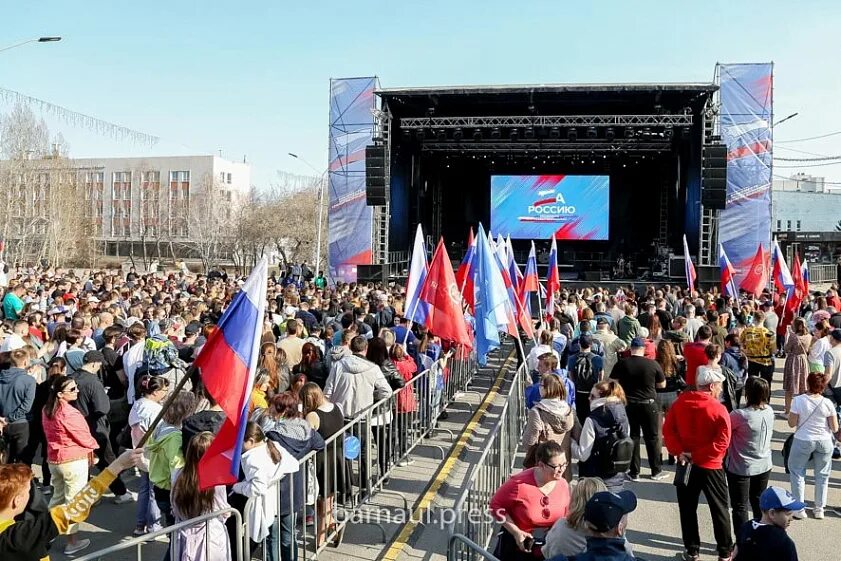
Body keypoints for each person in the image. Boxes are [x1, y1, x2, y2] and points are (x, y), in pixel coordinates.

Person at [0, 448, 142, 561]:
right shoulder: (21, 536)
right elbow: (75, 509)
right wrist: (117, 466)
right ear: (17, 500)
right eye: (28, 491)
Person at [663, 365, 733, 561]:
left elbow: (668, 431)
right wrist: (698, 455)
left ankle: (692, 550)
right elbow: (722, 442)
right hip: (711, 465)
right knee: (719, 509)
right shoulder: (718, 409)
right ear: (711, 386)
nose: (720, 390)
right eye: (718, 386)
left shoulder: (679, 403)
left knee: (687, 509)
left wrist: (681, 452)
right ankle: (725, 552)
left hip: (686, 464)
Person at [40, 375, 99, 555]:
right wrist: (95, 448)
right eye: (72, 389)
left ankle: (44, 534)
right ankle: (72, 542)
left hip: (55, 460)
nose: (77, 391)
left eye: (76, 387)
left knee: (57, 499)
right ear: (60, 394)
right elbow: (82, 436)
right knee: (74, 502)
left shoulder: (47, 409)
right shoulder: (69, 413)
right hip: (73, 461)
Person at [70, 350, 135, 504]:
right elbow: (103, 408)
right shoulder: (93, 382)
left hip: (76, 427)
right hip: (95, 427)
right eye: (99, 364)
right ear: (94, 363)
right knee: (108, 462)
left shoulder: (71, 377)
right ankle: (121, 492)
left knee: (83, 462)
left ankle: (87, 497)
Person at [490, 441, 571, 560]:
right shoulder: (518, 484)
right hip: (519, 550)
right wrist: (516, 531)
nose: (562, 469)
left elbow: (566, 516)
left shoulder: (563, 485)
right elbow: (495, 506)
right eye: (556, 466)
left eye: (564, 464)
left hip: (549, 550)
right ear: (541, 465)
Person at [232, 422, 299, 561]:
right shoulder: (272, 445)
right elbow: (293, 464)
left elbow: (258, 487)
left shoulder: (252, 458)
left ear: (250, 441)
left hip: (265, 507)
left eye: (241, 442)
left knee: (270, 542)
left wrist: (237, 487)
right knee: (279, 539)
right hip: (277, 503)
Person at [610, 337, 667, 481]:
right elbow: (662, 385)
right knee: (652, 437)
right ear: (643, 349)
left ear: (631, 348)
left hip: (629, 404)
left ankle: (634, 472)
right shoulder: (652, 364)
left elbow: (613, 383)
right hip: (649, 403)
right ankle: (656, 470)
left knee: (633, 436)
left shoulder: (622, 364)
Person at [171, 431, 232, 561]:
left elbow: (174, 504)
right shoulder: (216, 479)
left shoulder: (178, 474)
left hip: (183, 535)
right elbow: (223, 510)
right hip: (210, 536)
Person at [725, 377, 774, 535]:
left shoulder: (739, 415)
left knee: (740, 506)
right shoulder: (770, 411)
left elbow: (725, 432)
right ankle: (759, 537)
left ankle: (742, 541)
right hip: (764, 464)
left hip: (741, 466)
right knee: (759, 503)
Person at [542, 477, 636, 559]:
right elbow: (628, 554)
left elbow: (547, 551)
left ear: (575, 500)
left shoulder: (561, 526)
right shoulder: (612, 532)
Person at [300, 383, 346, 547]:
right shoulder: (336, 407)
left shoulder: (312, 416)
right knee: (327, 500)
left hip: (321, 461)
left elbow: (306, 440)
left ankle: (320, 540)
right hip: (337, 458)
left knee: (323, 500)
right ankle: (334, 525)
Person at [786, 371, 837, 520]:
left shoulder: (798, 400)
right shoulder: (828, 403)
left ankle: (799, 509)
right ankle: (819, 509)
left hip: (803, 439)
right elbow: (834, 427)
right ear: (823, 387)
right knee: (822, 474)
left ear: (808, 383)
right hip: (824, 440)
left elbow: (791, 423)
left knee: (797, 472)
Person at [145, 390, 197, 527]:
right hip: (171, 490)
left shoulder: (160, 427)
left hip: (158, 484)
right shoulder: (175, 438)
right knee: (176, 530)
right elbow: (177, 469)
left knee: (170, 526)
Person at [128, 375, 168, 537]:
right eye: (164, 390)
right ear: (155, 391)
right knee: (153, 492)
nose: (166, 393)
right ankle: (154, 526)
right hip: (153, 455)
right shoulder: (155, 410)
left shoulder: (137, 405)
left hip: (140, 452)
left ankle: (140, 525)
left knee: (144, 489)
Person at [573, 381, 631, 492]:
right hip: (617, 479)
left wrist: (570, 443)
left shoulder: (593, 419)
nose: (589, 398)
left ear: (602, 397)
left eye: (592, 396)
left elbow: (583, 454)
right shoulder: (623, 414)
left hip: (594, 480)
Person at [522, 374, 576, 481]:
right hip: (562, 468)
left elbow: (528, 443)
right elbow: (578, 436)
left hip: (543, 468)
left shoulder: (537, 412)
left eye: (541, 386)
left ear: (547, 389)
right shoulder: (570, 411)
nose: (539, 388)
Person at [732, 486, 802, 561]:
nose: (791, 518)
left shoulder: (745, 527)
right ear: (772, 513)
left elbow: (735, 553)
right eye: (788, 514)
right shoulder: (784, 542)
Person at [0, 349, 36, 463]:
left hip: (2, 422)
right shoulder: (29, 380)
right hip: (20, 423)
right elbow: (26, 406)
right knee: (21, 460)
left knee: (4, 458)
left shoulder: (1, 377)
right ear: (25, 362)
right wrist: (9, 419)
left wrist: (3, 419)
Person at [568, 335, 604, 424]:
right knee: (592, 416)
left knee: (580, 416)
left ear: (579, 344)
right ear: (591, 344)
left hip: (578, 391)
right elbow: (601, 377)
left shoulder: (572, 359)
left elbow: (571, 377)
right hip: (592, 392)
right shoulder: (598, 359)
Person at [782, 318, 812, 416]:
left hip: (793, 360)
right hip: (803, 361)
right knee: (802, 387)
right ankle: (802, 411)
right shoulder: (809, 336)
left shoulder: (793, 337)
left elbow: (786, 349)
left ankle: (787, 411)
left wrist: (787, 337)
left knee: (789, 388)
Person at [740, 311, 776, 387]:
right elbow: (773, 350)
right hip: (765, 361)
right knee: (766, 384)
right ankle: (765, 398)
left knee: (752, 384)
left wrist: (746, 350)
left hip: (751, 360)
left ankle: (752, 398)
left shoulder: (747, 331)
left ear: (754, 318)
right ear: (764, 319)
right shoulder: (769, 333)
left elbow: (740, 344)